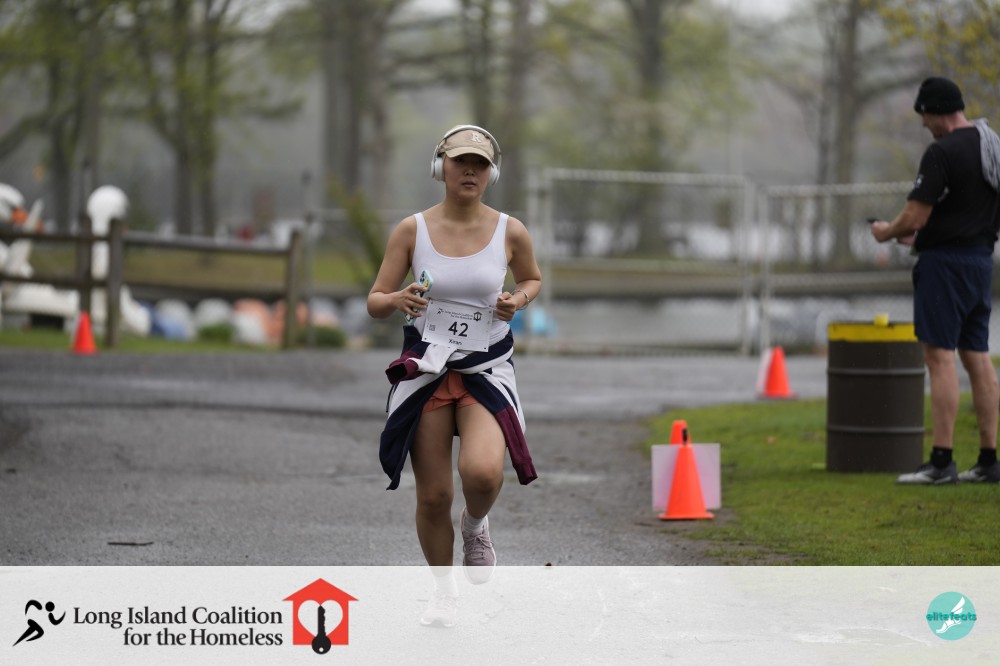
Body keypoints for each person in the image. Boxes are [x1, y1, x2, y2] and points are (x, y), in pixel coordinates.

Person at [367, 124, 542, 626]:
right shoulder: (412, 230)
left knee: (483, 473)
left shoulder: (510, 230)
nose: (470, 171)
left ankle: (476, 524)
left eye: (480, 164)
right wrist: (397, 298)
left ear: (492, 174)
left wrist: (517, 300)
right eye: (460, 161)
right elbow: (375, 301)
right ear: (439, 167)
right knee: (434, 495)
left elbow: (532, 278)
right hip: (427, 369)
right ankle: (443, 592)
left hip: (486, 368)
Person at [870, 76, 1000, 485]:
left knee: (939, 358)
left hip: (945, 267)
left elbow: (915, 214)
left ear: (936, 111)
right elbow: (964, 209)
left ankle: (941, 462)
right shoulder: (991, 145)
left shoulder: (942, 152)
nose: (925, 125)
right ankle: (989, 460)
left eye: (924, 117)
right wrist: (927, 235)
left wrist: (887, 232)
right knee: (977, 357)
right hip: (980, 261)